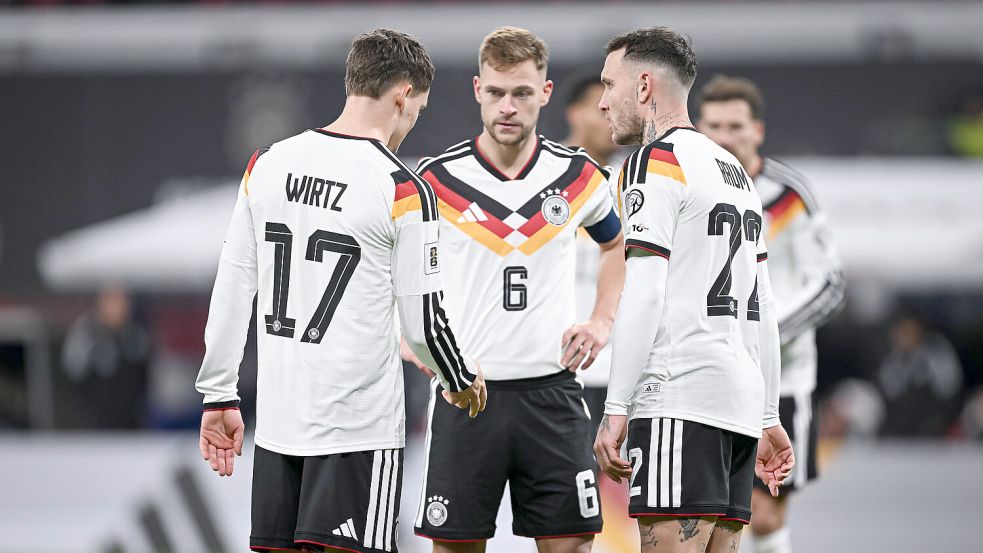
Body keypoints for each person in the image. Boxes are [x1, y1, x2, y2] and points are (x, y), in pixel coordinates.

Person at [194, 29, 486, 553]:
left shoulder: (267, 163)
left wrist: (219, 392)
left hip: (278, 431)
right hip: (356, 434)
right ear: (402, 95)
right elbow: (423, 327)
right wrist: (460, 377)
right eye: (417, 107)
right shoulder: (402, 187)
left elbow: (234, 286)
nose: (413, 120)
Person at [407, 27, 624, 553]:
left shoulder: (580, 177)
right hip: (466, 396)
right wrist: (419, 349)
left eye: (522, 93)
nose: (508, 106)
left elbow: (617, 247)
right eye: (497, 92)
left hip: (553, 394)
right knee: (455, 547)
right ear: (477, 90)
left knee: (571, 546)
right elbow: (399, 277)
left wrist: (601, 321)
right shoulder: (434, 182)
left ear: (544, 94)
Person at [592, 27, 795, 553]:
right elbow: (763, 307)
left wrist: (617, 407)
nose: (602, 101)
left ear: (642, 86)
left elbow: (644, 291)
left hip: (679, 398)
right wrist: (768, 414)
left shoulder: (654, 162)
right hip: (740, 407)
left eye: (609, 85)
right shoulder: (735, 172)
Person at [696, 75, 846, 553]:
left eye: (735, 125)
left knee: (763, 513)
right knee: (708, 514)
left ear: (757, 130)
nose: (724, 136)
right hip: (705, 377)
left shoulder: (787, 195)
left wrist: (764, 333)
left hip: (780, 381)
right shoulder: (686, 192)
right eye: (714, 125)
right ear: (699, 127)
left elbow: (828, 284)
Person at [62, 284, 151, 428]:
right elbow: (72, 380)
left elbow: (145, 382)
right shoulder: (85, 335)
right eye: (111, 300)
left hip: (131, 425)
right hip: (94, 427)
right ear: (100, 302)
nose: (118, 307)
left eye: (122, 300)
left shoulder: (136, 337)